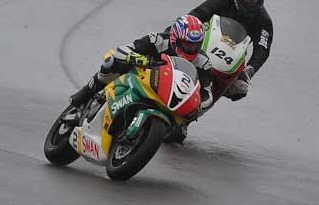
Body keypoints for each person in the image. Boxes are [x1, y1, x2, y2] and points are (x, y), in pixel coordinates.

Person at [69, 14, 214, 143]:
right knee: (112, 61)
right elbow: (122, 50)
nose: (191, 49)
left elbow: (207, 93)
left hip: (170, 96)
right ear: (175, 38)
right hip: (142, 77)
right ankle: (86, 93)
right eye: (187, 44)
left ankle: (142, 136)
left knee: (178, 135)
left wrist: (198, 105)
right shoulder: (157, 40)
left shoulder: (203, 62)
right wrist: (142, 60)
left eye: (195, 45)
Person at [188, 0, 273, 102]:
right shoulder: (221, 1)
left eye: (256, 0)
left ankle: (213, 94)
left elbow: (262, 49)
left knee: (240, 89)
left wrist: (250, 69)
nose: (251, 3)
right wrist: (175, 30)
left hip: (232, 58)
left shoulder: (264, 21)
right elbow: (196, 14)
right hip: (205, 46)